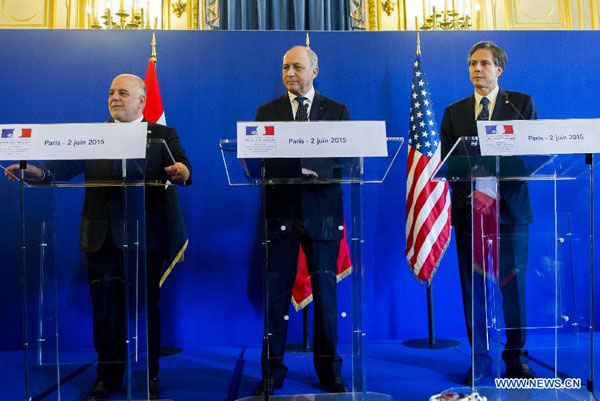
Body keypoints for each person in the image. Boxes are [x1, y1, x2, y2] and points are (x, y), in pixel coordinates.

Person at [4, 74, 191, 400]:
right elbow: (60, 171)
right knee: (105, 310)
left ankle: (149, 376)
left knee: (147, 309)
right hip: (100, 237)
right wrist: (38, 174)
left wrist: (181, 171)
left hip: (145, 235)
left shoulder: (161, 135)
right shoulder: (93, 135)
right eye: (111, 93)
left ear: (141, 101)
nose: (114, 98)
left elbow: (183, 168)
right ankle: (108, 376)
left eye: (122, 93)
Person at [253, 45, 350, 396]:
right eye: (285, 68)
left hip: (322, 215)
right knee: (275, 296)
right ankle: (271, 372)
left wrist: (314, 169)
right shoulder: (268, 111)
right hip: (280, 213)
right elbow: (259, 161)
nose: (290, 73)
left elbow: (346, 159)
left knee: (326, 296)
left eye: (297, 67)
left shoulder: (337, 112)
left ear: (314, 71)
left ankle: (329, 371)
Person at [440, 41, 537, 385]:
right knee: (475, 289)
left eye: (483, 64)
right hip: (470, 216)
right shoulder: (454, 112)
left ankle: (516, 358)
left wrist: (495, 194)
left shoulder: (521, 104)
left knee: (513, 287)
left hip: (510, 212)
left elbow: (529, 158)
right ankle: (480, 359)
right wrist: (473, 196)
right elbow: (449, 167)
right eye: (471, 64)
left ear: (500, 69)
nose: (477, 69)